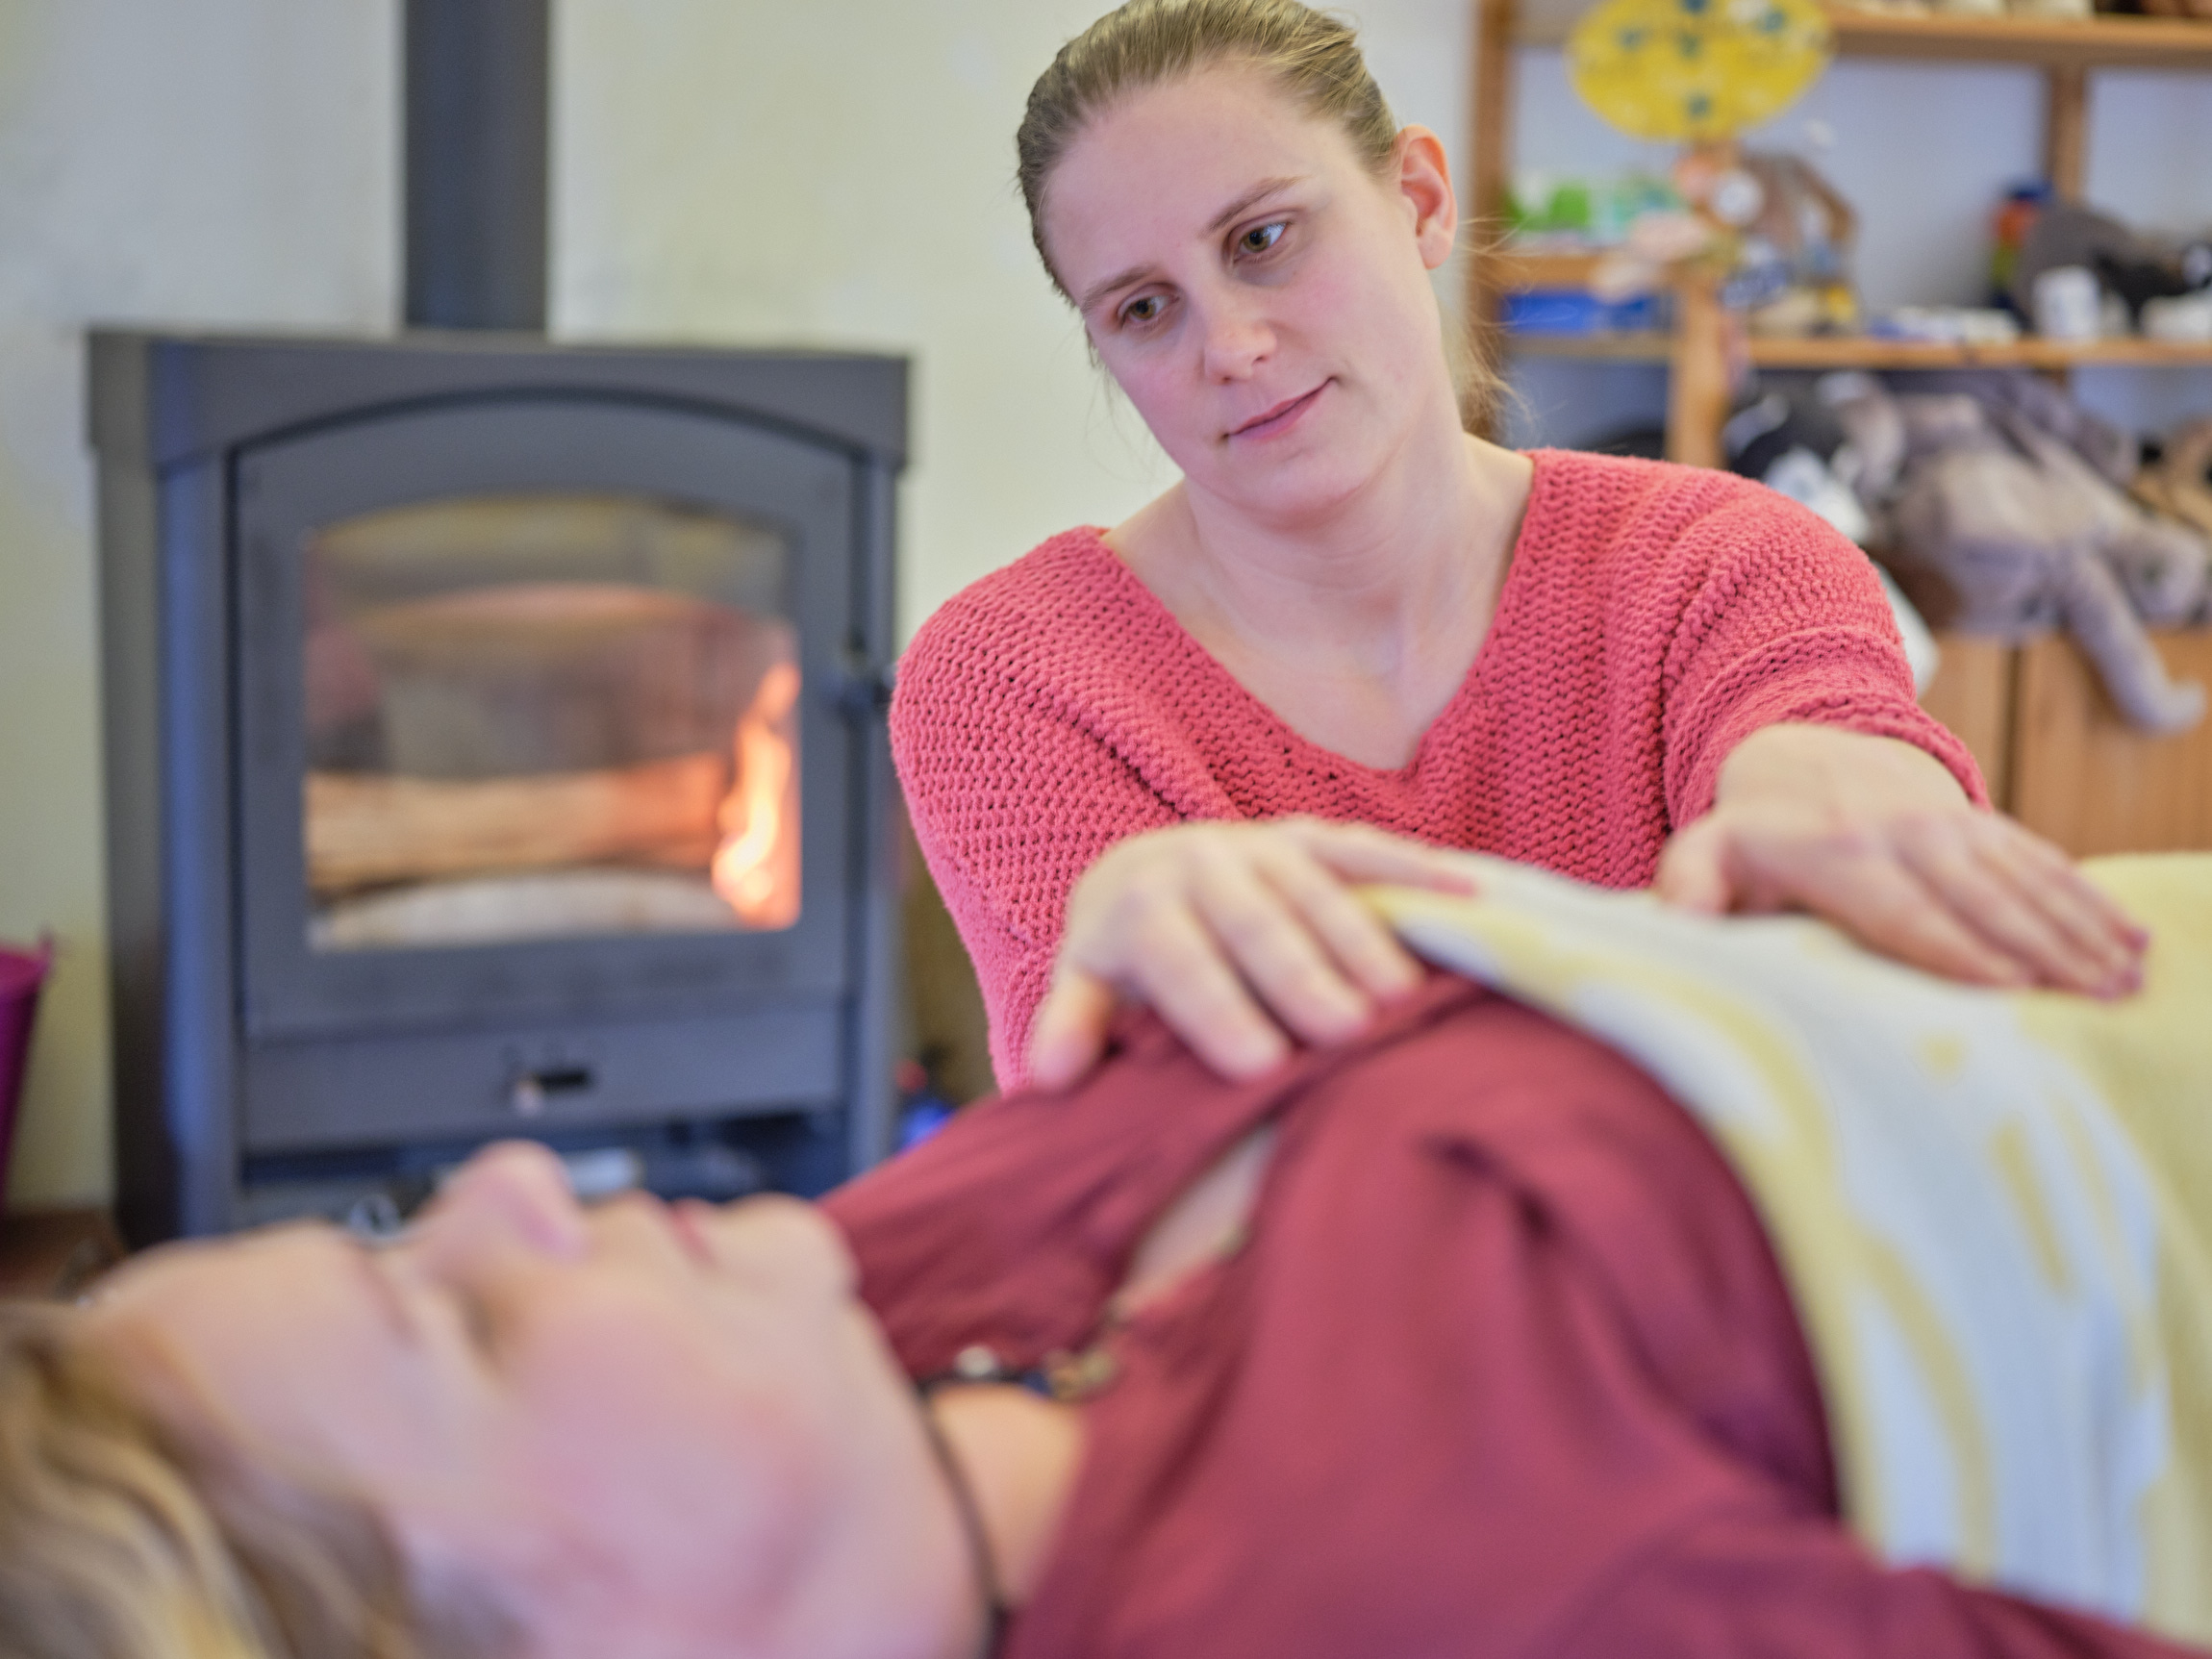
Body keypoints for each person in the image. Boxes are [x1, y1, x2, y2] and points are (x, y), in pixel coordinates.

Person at [4, 979, 2203, 1659]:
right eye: (449, 1327)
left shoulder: (842, 1299)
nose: (505, 1180)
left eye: (392, 1222)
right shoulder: (1416, 1601)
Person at [890, 0, 2146, 1093]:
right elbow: (1158, 1186)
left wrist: (1838, 797)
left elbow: (1824, 745)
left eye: (1265, 238)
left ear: (1421, 200)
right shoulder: (1014, 674)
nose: (1228, 345)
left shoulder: (1721, 557)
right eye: (1145, 309)